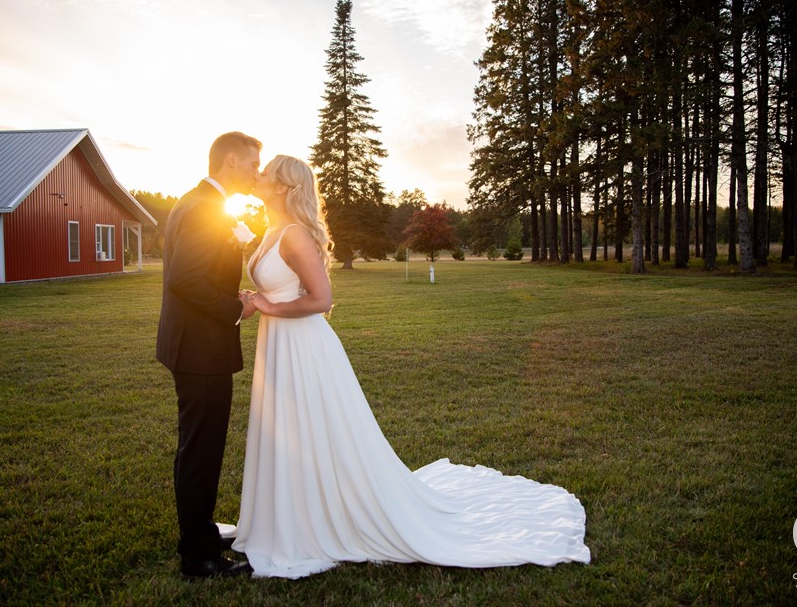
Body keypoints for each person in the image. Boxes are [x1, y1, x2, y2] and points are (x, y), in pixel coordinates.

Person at [234, 155, 591, 579]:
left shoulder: (293, 234)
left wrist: (269, 304)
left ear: (282, 187)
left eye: (265, 173)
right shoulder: (270, 231)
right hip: (278, 344)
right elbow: (277, 289)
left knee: (311, 428)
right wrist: (256, 301)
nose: (257, 178)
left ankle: (314, 522)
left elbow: (321, 299)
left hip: (302, 347)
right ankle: (286, 517)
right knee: (288, 430)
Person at [155, 131, 261, 579]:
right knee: (201, 449)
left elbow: (199, 273)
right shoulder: (203, 209)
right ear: (232, 160)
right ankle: (198, 555)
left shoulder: (198, 202)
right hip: (201, 350)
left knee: (199, 446)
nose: (258, 171)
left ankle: (200, 530)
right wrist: (237, 307)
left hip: (195, 346)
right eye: (254, 163)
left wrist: (226, 290)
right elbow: (185, 278)